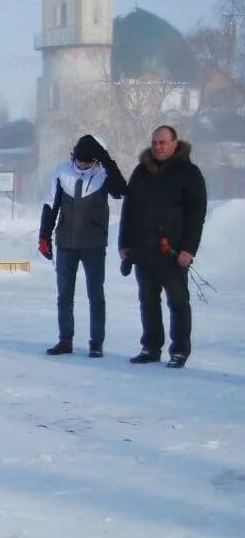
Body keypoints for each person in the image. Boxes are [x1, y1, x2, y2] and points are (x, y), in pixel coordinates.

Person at [118, 125, 208, 368]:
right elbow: (128, 210)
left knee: (178, 302)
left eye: (163, 142)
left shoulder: (189, 173)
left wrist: (189, 249)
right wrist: (124, 243)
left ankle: (179, 350)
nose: (158, 146)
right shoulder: (141, 172)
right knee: (147, 300)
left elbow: (196, 215)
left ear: (174, 143)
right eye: (155, 142)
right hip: (143, 250)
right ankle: (150, 347)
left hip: (173, 252)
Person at [38, 134, 127, 358]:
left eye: (87, 161)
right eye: (79, 160)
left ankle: (96, 343)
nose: (82, 164)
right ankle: (64, 340)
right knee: (64, 295)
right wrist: (44, 236)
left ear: (96, 160)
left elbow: (121, 190)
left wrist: (107, 160)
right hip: (66, 243)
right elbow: (51, 204)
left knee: (96, 294)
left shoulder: (103, 173)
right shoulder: (62, 172)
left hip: (94, 245)